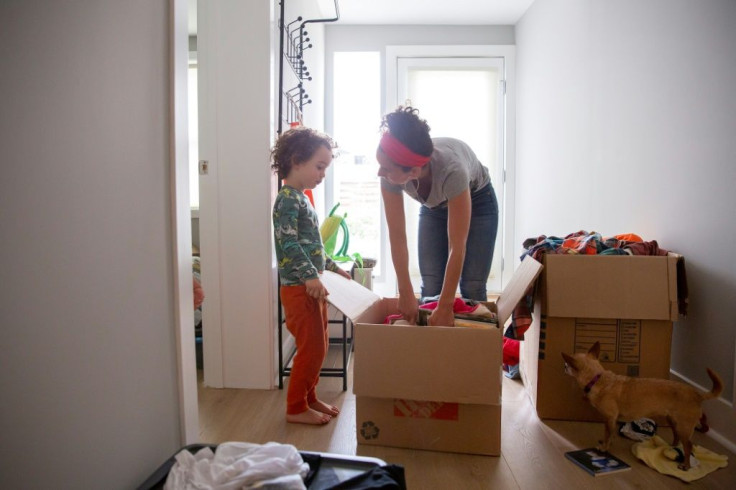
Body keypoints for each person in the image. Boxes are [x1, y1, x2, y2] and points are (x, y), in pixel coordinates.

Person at [377, 106, 499, 327]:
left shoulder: (452, 171)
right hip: (434, 206)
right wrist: (405, 292)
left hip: (478, 201)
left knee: (471, 285)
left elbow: (457, 247)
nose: (380, 173)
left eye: (385, 168)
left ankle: (475, 353)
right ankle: (431, 355)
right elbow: (397, 236)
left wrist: (445, 308)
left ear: (413, 172)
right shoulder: (391, 175)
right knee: (431, 285)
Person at [271, 126, 351, 425]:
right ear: (296, 160)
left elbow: (311, 245)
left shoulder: (302, 199)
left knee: (320, 347)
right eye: (319, 167)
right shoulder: (287, 199)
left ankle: (310, 397)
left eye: (325, 168)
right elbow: (288, 243)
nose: (322, 174)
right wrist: (310, 277)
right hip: (298, 288)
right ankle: (295, 407)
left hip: (311, 286)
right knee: (311, 348)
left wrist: (331, 267)